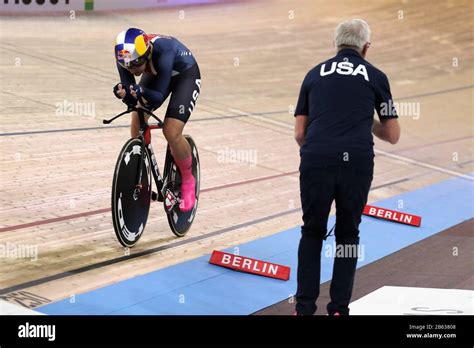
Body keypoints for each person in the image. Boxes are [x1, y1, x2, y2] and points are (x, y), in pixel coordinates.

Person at [293, 19, 400, 315]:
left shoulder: (313, 74)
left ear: (336, 44)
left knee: (312, 231)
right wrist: (367, 121)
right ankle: (339, 308)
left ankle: (303, 309)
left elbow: (300, 134)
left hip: (316, 157)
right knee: (348, 234)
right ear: (365, 47)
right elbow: (393, 134)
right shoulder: (377, 76)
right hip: (357, 161)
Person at [113, 28, 201, 212]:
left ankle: (188, 179)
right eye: (126, 66)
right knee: (137, 118)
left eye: (135, 66)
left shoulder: (164, 51)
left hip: (185, 74)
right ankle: (141, 171)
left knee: (170, 131)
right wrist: (124, 94)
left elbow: (158, 95)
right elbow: (132, 96)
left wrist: (141, 91)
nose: (131, 70)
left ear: (145, 55)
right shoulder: (125, 56)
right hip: (157, 73)